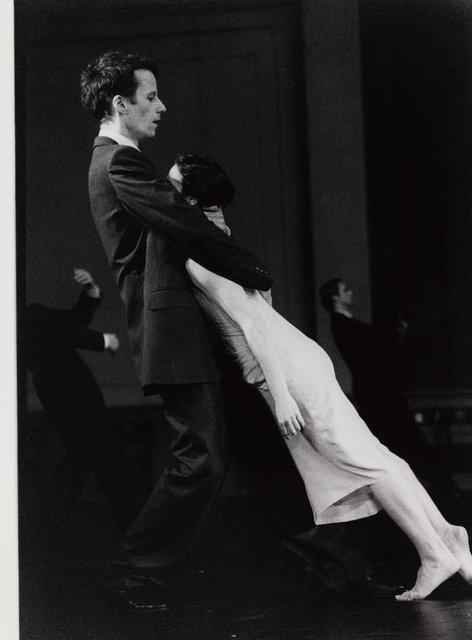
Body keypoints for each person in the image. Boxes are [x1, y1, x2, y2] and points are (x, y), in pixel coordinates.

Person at [168, 154, 472, 601]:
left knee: (363, 461)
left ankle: (434, 553)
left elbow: (253, 325)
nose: (161, 189)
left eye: (171, 185)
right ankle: (449, 537)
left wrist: (283, 395)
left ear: (190, 198)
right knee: (374, 454)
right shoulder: (221, 238)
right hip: (297, 358)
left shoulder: (202, 255)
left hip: (285, 367)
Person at [80, 51, 273, 610]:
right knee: (203, 457)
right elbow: (185, 222)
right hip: (172, 336)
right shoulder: (120, 164)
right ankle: (135, 570)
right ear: (121, 104)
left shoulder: (118, 161)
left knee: (231, 449)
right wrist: (254, 270)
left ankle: (327, 554)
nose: (161, 107)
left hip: (182, 332)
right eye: (150, 97)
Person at [319, 278, 447, 488]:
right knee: (401, 438)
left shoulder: (345, 324)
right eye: (345, 290)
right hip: (378, 393)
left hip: (377, 391)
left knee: (397, 439)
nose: (350, 292)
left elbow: (376, 343)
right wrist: (396, 330)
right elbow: (373, 340)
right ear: (335, 297)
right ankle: (435, 485)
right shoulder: (343, 324)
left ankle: (427, 484)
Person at [25, 268, 120, 511]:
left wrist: (89, 291)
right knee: (88, 452)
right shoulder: (25, 317)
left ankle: (55, 515)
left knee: (85, 452)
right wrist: (103, 341)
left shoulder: (33, 314)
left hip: (68, 389)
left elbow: (70, 322)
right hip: (66, 391)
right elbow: (62, 332)